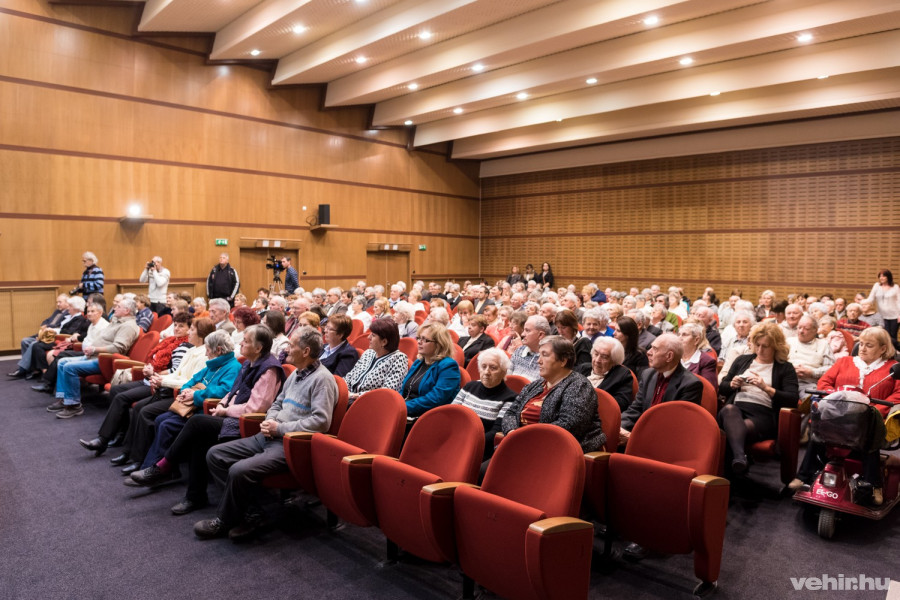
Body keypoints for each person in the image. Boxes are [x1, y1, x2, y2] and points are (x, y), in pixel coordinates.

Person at [196, 326, 338, 540]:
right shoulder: (296, 374)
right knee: (215, 455)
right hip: (270, 435)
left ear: (306, 351)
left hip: (291, 445)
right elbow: (277, 403)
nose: (286, 349)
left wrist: (279, 428)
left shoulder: (322, 380)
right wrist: (271, 419)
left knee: (237, 470)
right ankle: (252, 513)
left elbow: (321, 422)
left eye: (292, 345)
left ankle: (224, 521)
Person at [130, 325, 281, 490]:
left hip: (246, 423)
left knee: (195, 423)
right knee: (195, 436)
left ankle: (163, 467)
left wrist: (224, 409)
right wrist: (223, 403)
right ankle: (194, 496)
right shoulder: (249, 364)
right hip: (229, 413)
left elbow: (256, 408)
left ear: (258, 348)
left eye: (245, 341)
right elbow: (232, 392)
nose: (241, 344)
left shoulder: (268, 369)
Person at [791, 327, 900, 505]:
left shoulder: (891, 369)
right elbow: (824, 382)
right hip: (838, 416)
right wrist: (834, 399)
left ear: (883, 348)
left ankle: (874, 485)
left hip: (871, 420)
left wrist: (873, 410)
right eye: (861, 344)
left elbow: (898, 395)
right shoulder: (845, 362)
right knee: (818, 432)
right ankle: (804, 476)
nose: (862, 348)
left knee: (869, 434)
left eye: (869, 345)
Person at [77, 313, 195, 456]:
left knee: (121, 397)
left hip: (157, 384)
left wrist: (155, 372)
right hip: (149, 378)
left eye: (181, 326)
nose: (176, 328)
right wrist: (148, 368)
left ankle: (103, 440)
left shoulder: (184, 346)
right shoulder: (169, 341)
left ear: (190, 329)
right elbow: (155, 361)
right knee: (115, 390)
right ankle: (119, 433)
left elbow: (176, 371)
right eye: (175, 325)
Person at [107, 319, 216, 472]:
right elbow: (178, 374)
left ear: (202, 334)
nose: (189, 332)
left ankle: (139, 459)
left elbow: (189, 381)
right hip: (173, 390)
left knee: (145, 412)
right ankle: (129, 453)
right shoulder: (191, 350)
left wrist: (162, 381)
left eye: (191, 329)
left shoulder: (204, 354)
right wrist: (161, 379)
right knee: (139, 407)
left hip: (181, 395)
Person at [718, 322, 799, 475]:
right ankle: (740, 459)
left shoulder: (785, 368)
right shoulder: (742, 360)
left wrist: (766, 388)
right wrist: (732, 384)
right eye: (757, 345)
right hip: (736, 409)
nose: (760, 350)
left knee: (734, 430)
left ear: (775, 346)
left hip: (763, 414)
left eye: (765, 346)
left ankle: (732, 476)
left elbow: (792, 399)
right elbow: (722, 387)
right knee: (729, 410)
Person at [499, 336, 603, 453]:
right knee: (485, 470)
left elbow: (569, 425)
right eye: (539, 354)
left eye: (545, 355)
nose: (539, 360)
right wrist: (512, 432)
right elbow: (511, 413)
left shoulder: (579, 386)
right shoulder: (535, 385)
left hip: (557, 452)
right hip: (523, 445)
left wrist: (526, 438)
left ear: (563, 360)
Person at [46, 298, 141, 419]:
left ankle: (74, 406)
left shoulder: (128, 326)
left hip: (104, 361)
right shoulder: (117, 321)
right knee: (62, 362)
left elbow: (118, 348)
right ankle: (65, 399)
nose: (115, 307)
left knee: (69, 367)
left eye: (119, 307)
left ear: (127, 311)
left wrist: (95, 349)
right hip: (94, 356)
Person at [619, 333, 704, 440]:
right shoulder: (648, 375)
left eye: (655, 349)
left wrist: (635, 438)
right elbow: (636, 409)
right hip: (640, 433)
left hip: (666, 441)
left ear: (669, 356)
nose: (648, 352)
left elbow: (676, 426)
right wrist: (620, 426)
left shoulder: (690, 384)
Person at [32, 302, 110, 392]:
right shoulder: (92, 324)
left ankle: (49, 384)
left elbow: (98, 346)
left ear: (100, 313)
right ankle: (49, 384)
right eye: (88, 311)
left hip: (94, 356)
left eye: (93, 311)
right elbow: (87, 340)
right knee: (61, 355)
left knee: (61, 357)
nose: (89, 313)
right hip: (86, 352)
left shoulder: (104, 326)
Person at [17, 296, 88, 379]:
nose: (68, 308)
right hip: (58, 338)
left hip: (63, 341)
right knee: (36, 345)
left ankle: (45, 373)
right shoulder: (70, 317)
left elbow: (69, 332)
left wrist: (54, 331)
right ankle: (43, 372)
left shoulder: (79, 318)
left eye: (70, 306)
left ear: (76, 308)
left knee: (37, 345)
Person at [401, 323, 461, 418]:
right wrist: (396, 404)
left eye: (425, 339)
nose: (419, 342)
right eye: (419, 338)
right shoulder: (418, 362)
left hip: (428, 417)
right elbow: (403, 389)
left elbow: (435, 399)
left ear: (439, 344)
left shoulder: (448, 366)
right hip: (406, 411)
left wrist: (402, 407)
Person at [343, 318, 409, 402]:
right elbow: (350, 376)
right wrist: (342, 389)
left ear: (384, 342)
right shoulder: (369, 353)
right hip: (349, 398)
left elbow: (388, 391)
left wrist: (355, 396)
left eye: (373, 335)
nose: (368, 337)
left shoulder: (399, 359)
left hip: (370, 403)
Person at [575, 336, 635, 412]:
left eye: (604, 357)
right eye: (596, 354)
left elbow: (620, 404)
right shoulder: (583, 368)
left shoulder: (622, 375)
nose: (597, 360)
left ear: (614, 360)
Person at [788, 315, 835, 395]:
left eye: (806, 329)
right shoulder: (788, 342)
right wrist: (790, 370)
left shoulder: (823, 344)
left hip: (809, 383)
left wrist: (812, 372)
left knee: (810, 396)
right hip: (787, 381)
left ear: (815, 330)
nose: (801, 331)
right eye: (799, 327)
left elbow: (831, 369)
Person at [508, 315, 550, 382]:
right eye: (524, 330)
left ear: (541, 335)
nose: (522, 334)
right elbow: (507, 376)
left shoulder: (550, 358)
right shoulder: (519, 350)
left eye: (527, 331)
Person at [718, 309, 755, 382]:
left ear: (751, 325)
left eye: (745, 322)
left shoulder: (753, 343)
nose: (741, 325)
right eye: (738, 322)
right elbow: (721, 360)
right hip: (726, 373)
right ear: (734, 325)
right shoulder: (728, 341)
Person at [678, 321, 717, 388]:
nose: (679, 338)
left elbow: (708, 389)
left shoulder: (707, 361)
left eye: (684, 335)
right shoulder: (673, 358)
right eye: (679, 334)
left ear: (696, 340)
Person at [868, 269, 900, 347]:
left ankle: (894, 354)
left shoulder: (895, 287)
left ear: (888, 277)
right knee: (884, 336)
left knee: (892, 337)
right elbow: (870, 299)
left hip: (894, 316)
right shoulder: (876, 286)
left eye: (883, 276)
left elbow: (899, 301)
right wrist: (861, 302)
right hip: (881, 316)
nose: (881, 278)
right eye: (880, 276)